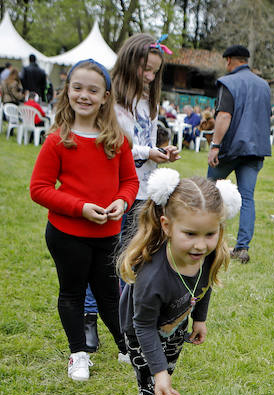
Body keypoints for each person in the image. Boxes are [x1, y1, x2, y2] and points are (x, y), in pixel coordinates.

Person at [29, 59, 139, 382]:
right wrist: (80, 208)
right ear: (68, 92)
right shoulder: (58, 139)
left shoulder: (117, 139)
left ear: (106, 96)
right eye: (77, 88)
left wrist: (122, 201)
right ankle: (78, 353)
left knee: (108, 293)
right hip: (67, 234)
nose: (84, 95)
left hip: (107, 233)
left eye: (93, 90)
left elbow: (130, 181)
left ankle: (125, 347)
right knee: (73, 292)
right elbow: (39, 189)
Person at [117, 168, 240, 395]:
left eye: (210, 234)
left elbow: (203, 286)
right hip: (142, 333)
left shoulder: (207, 256)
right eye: (190, 234)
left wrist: (200, 318)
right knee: (150, 390)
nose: (200, 246)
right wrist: (157, 372)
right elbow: (144, 327)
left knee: (165, 374)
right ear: (167, 226)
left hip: (175, 326)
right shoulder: (153, 277)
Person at [81, 33, 181, 352]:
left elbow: (145, 141)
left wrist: (161, 152)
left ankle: (128, 326)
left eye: (155, 71)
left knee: (134, 258)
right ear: (129, 61)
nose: (150, 77)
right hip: (113, 187)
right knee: (103, 258)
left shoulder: (147, 100)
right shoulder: (109, 98)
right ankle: (89, 318)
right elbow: (110, 142)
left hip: (143, 188)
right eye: (145, 69)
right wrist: (146, 152)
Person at [206, 44, 271, 264]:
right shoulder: (264, 86)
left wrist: (215, 145)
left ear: (231, 61)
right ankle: (242, 248)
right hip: (255, 150)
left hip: (231, 147)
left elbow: (224, 115)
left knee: (209, 191)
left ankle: (206, 238)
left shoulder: (228, 83)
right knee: (247, 198)